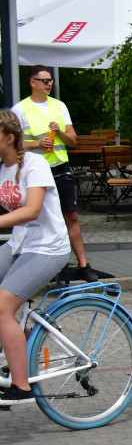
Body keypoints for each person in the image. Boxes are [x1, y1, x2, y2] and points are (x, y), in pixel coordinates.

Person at [0, 110, 71, 406]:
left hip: (48, 248)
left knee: (2, 308)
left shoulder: (35, 164)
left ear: (9, 138)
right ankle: (16, 346)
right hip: (20, 244)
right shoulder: (2, 168)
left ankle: (22, 387)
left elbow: (31, 210)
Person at [12, 65, 95, 282]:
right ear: (33, 82)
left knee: (71, 216)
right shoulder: (20, 109)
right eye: (45, 81)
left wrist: (59, 131)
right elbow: (14, 144)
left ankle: (83, 265)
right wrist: (38, 143)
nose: (49, 84)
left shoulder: (59, 106)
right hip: (36, 171)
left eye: (51, 81)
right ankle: (44, 265)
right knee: (39, 217)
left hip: (59, 168)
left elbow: (73, 141)